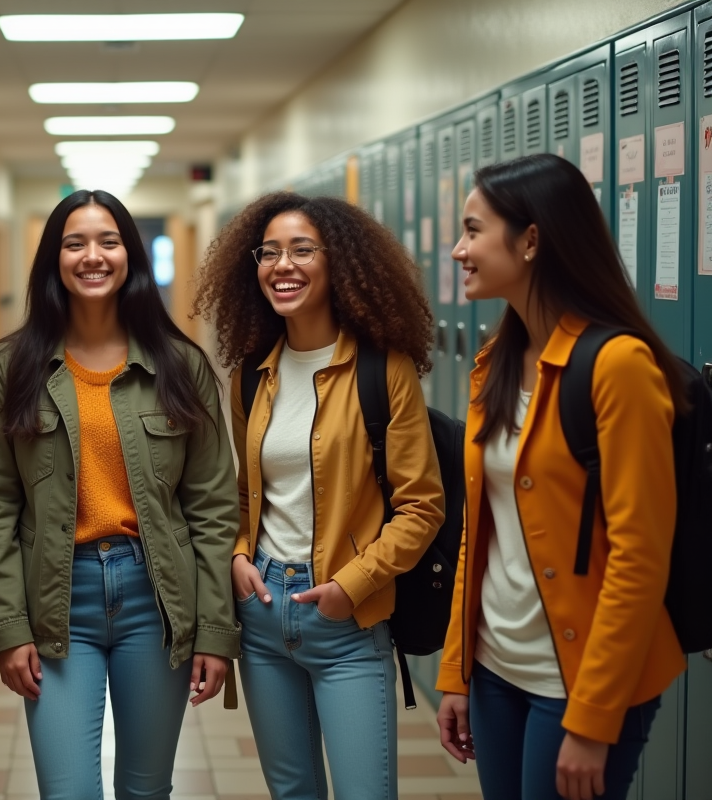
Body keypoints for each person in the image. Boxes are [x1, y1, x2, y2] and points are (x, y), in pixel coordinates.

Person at [0, 189, 240, 800]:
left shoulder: (179, 365)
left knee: (146, 790)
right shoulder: (13, 366)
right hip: (57, 600)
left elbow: (215, 507)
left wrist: (216, 632)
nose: (93, 256)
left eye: (108, 241)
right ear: (53, 260)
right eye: (75, 243)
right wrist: (7, 626)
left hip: (157, 598)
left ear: (130, 256)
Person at [435, 154, 688, 800]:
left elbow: (640, 556)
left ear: (530, 241)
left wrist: (594, 717)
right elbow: (478, 532)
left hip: (576, 681)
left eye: (472, 230)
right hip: (496, 672)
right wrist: (457, 671)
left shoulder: (617, 366)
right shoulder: (494, 361)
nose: (459, 250)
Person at [193, 191, 446, 800]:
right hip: (262, 612)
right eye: (270, 252)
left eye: (303, 250)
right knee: (292, 791)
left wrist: (352, 585)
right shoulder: (251, 374)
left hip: (347, 618)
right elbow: (245, 493)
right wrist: (235, 557)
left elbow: (422, 504)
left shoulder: (383, 370)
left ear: (341, 263)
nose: (283, 265)